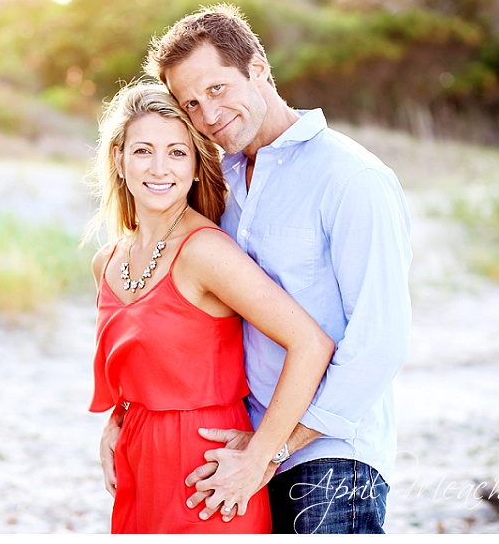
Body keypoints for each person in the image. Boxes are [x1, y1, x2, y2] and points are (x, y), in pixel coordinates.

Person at [136, 3, 414, 534]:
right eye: (191, 103)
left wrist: (273, 449)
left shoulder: (352, 179)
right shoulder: (222, 184)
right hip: (243, 442)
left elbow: (380, 343)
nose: (208, 115)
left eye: (217, 89)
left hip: (331, 453)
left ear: (258, 68)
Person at [84, 81, 335, 534]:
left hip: (209, 472)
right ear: (118, 160)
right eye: (143, 151)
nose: (160, 168)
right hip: (139, 463)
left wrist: (261, 456)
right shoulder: (108, 261)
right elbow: (140, 366)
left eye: (177, 153)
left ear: (199, 166)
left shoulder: (206, 253)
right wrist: (114, 424)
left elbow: (311, 344)